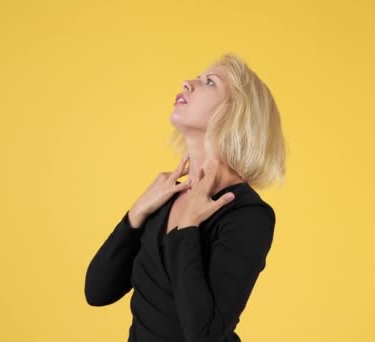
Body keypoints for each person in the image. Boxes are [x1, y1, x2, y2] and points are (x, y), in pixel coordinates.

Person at [85, 52, 287, 342]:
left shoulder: (246, 215)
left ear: (235, 113)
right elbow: (98, 291)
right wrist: (136, 213)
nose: (187, 83)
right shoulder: (166, 198)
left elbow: (203, 335)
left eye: (209, 82)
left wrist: (189, 228)